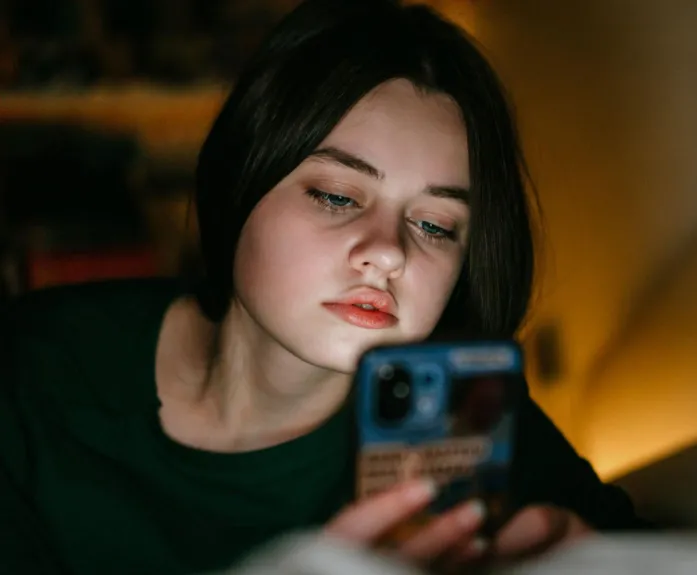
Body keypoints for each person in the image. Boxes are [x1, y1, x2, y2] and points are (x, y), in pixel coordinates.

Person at [0, 1, 651, 573]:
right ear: (242, 176)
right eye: (339, 196)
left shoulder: (469, 424)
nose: (389, 252)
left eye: (434, 223)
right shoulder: (31, 370)